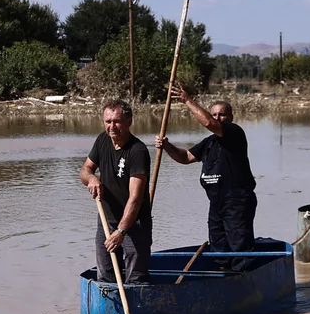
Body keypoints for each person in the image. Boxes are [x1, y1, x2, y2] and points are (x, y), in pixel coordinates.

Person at [155, 82, 257, 271]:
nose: (218, 117)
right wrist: (167, 146)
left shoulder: (235, 133)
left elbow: (209, 123)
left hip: (237, 202)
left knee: (239, 247)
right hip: (216, 203)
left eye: (222, 114)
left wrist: (187, 100)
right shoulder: (209, 142)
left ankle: (243, 277)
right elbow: (185, 157)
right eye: (215, 114)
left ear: (230, 117)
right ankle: (221, 275)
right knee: (218, 247)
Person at [79, 99, 152, 284]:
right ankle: (109, 301)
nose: (112, 126)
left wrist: (121, 231)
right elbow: (85, 170)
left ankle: (136, 300)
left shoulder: (138, 151)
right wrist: (92, 179)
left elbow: (135, 199)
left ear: (129, 121)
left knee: (136, 277)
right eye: (108, 121)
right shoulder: (102, 140)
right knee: (106, 274)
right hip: (106, 220)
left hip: (134, 222)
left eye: (117, 121)